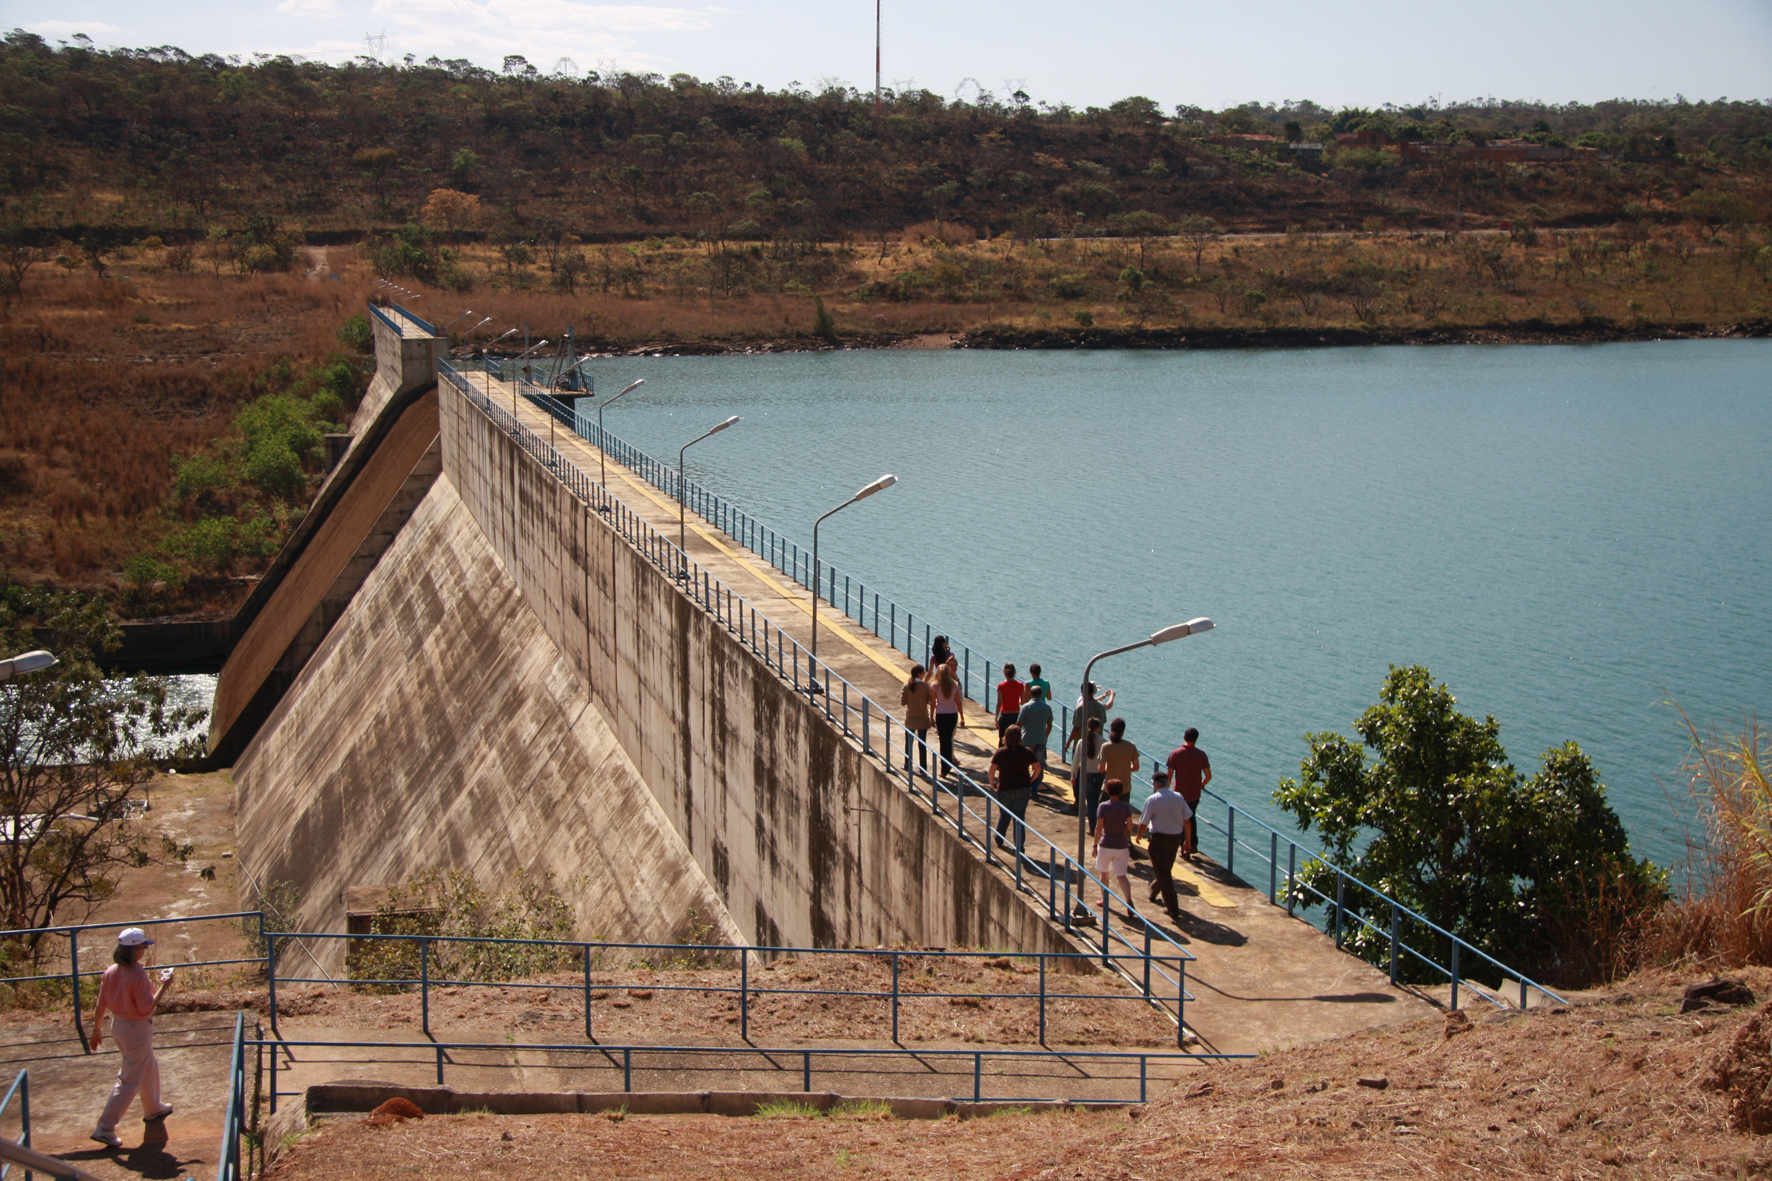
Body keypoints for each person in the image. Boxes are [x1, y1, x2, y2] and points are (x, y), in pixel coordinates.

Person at [90, 927, 175, 1149]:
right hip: (136, 1029)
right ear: (136, 949)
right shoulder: (137, 974)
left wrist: (96, 1030)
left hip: (118, 1026)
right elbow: (147, 1007)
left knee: (148, 1065)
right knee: (128, 1079)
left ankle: (153, 1107)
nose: (146, 949)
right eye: (144, 946)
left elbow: (101, 1005)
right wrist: (165, 985)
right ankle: (105, 1127)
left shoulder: (111, 971)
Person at [1138, 770, 1194, 917]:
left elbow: (1144, 822)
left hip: (1159, 839)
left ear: (1155, 784)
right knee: (1165, 869)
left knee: (1164, 873)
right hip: (1176, 839)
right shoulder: (1179, 797)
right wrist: (1188, 841)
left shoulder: (1153, 799)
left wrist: (1138, 835)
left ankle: (1173, 908)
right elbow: (1187, 820)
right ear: (1167, 783)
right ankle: (1154, 890)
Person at [989, 724, 1041, 854]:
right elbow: (1038, 768)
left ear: (1006, 738)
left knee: (1004, 815)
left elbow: (991, 771)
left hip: (1005, 788)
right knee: (1019, 818)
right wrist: (1030, 780)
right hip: (1023, 788)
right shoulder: (1028, 752)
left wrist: (992, 784)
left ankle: (999, 838)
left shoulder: (1000, 752)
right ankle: (1019, 847)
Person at [1092, 779, 1137, 918]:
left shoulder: (1103, 807)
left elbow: (1099, 828)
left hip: (1106, 844)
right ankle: (1128, 899)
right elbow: (1130, 827)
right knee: (1122, 876)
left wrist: (1094, 845)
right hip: (1122, 846)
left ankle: (1104, 900)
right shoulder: (1126, 807)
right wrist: (1121, 825)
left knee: (1104, 874)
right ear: (1121, 791)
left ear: (1107, 790)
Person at [1166, 728, 1212, 860]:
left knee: (1180, 820)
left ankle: (1182, 846)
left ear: (1184, 736)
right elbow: (1208, 776)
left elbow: (1169, 776)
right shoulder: (1201, 755)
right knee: (1191, 818)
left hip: (1179, 794)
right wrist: (1201, 785)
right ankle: (1192, 844)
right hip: (1194, 794)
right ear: (1196, 739)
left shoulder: (1175, 753)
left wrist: (1164, 793)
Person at [1015, 685, 1054, 789]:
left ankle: (1024, 784)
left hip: (1027, 740)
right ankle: (1035, 787)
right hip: (1041, 740)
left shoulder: (1025, 707)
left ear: (1030, 694)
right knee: (1039, 765)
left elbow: (1019, 723)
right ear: (1041, 694)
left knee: (1023, 763)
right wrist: (1045, 735)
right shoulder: (1047, 707)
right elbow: (1049, 725)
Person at [1072, 716, 1107, 832]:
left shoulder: (1081, 742)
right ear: (1098, 728)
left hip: (1086, 774)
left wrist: (1073, 776)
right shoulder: (1104, 742)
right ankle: (1099, 825)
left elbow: (1076, 761)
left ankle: (1093, 828)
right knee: (1097, 800)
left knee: (1090, 802)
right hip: (1100, 774)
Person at [900, 664, 933, 779]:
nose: (924, 675)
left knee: (908, 743)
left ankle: (907, 764)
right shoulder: (925, 686)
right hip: (923, 718)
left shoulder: (906, 686)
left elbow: (903, 702)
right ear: (920, 674)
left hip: (911, 719)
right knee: (922, 744)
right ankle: (923, 768)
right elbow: (930, 700)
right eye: (923, 673)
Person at [932, 660, 964, 777]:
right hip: (952, 715)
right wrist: (962, 717)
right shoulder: (954, 685)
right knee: (949, 740)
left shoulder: (935, 686)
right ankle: (949, 763)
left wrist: (931, 717)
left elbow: (933, 703)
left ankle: (944, 768)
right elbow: (958, 702)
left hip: (941, 715)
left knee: (943, 741)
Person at [1065, 681, 1113, 758]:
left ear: (1083, 691)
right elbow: (1102, 724)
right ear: (1092, 691)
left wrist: (1068, 743)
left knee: (1078, 768)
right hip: (1097, 744)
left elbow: (1076, 729)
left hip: (1081, 744)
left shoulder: (1080, 707)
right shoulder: (1101, 707)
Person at [1098, 718, 1141, 800]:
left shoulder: (1106, 746)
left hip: (1108, 788)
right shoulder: (1131, 746)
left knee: (1103, 810)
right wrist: (1123, 768)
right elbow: (1136, 767)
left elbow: (1101, 769)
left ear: (1111, 729)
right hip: (1124, 789)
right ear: (1123, 731)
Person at [995, 663, 1026, 741]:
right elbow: (1023, 701)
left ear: (1004, 672)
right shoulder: (1020, 685)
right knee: (1016, 740)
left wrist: (996, 717)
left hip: (1005, 716)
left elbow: (999, 703)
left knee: (1003, 740)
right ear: (1014, 672)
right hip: (1016, 716)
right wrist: (1016, 700)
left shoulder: (1001, 686)